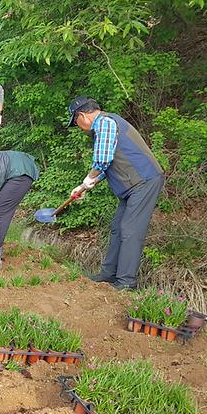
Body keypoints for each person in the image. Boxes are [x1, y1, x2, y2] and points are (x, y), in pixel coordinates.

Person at [67, 96, 164, 290]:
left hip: (144, 181)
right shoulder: (105, 125)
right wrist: (84, 186)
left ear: (82, 116)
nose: (78, 126)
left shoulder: (105, 123)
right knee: (117, 227)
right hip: (132, 185)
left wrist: (89, 178)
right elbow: (108, 164)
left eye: (75, 122)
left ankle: (126, 282)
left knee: (130, 230)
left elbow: (102, 160)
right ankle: (108, 274)